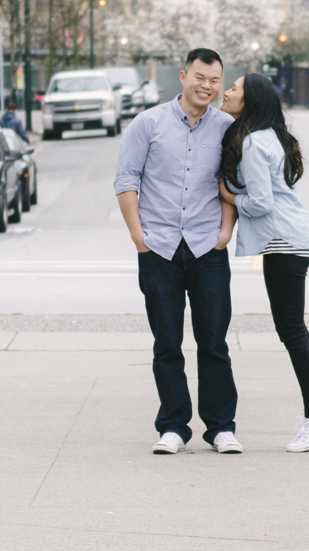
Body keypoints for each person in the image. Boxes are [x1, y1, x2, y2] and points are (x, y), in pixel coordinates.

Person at [114, 48, 240, 455]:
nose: (207, 86)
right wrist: (139, 238)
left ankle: (221, 428)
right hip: (159, 248)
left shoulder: (226, 128)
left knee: (214, 342)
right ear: (183, 76)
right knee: (166, 342)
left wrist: (225, 233)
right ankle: (173, 426)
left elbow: (232, 184)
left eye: (215, 80)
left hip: (207, 248)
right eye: (200, 77)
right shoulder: (147, 123)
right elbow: (126, 180)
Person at [218, 73, 309, 453]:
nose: (226, 92)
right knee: (295, 328)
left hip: (283, 240)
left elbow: (262, 202)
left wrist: (230, 197)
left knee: (291, 330)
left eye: (233, 88)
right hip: (292, 238)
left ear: (248, 101)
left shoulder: (253, 143)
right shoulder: (271, 137)